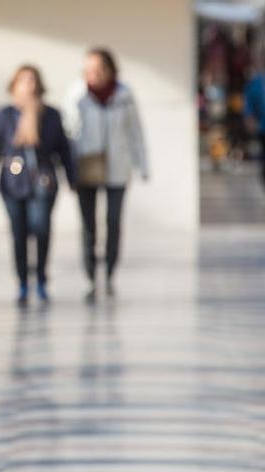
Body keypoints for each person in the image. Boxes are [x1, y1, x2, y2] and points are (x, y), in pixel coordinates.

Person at [0, 65, 76, 305]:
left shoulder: (51, 114)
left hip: (43, 180)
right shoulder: (5, 115)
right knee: (19, 233)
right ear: (14, 86)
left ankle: (41, 279)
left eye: (33, 80)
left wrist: (71, 177)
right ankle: (23, 282)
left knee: (41, 228)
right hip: (13, 182)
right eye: (23, 80)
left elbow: (64, 148)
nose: (29, 85)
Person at [64, 48, 148, 301]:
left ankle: (110, 271)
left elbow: (135, 130)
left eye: (99, 69)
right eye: (89, 70)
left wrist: (142, 165)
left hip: (117, 167)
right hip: (87, 166)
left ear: (111, 70)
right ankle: (91, 273)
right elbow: (67, 130)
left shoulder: (124, 94)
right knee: (89, 224)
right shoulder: (76, 93)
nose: (94, 75)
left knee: (113, 221)